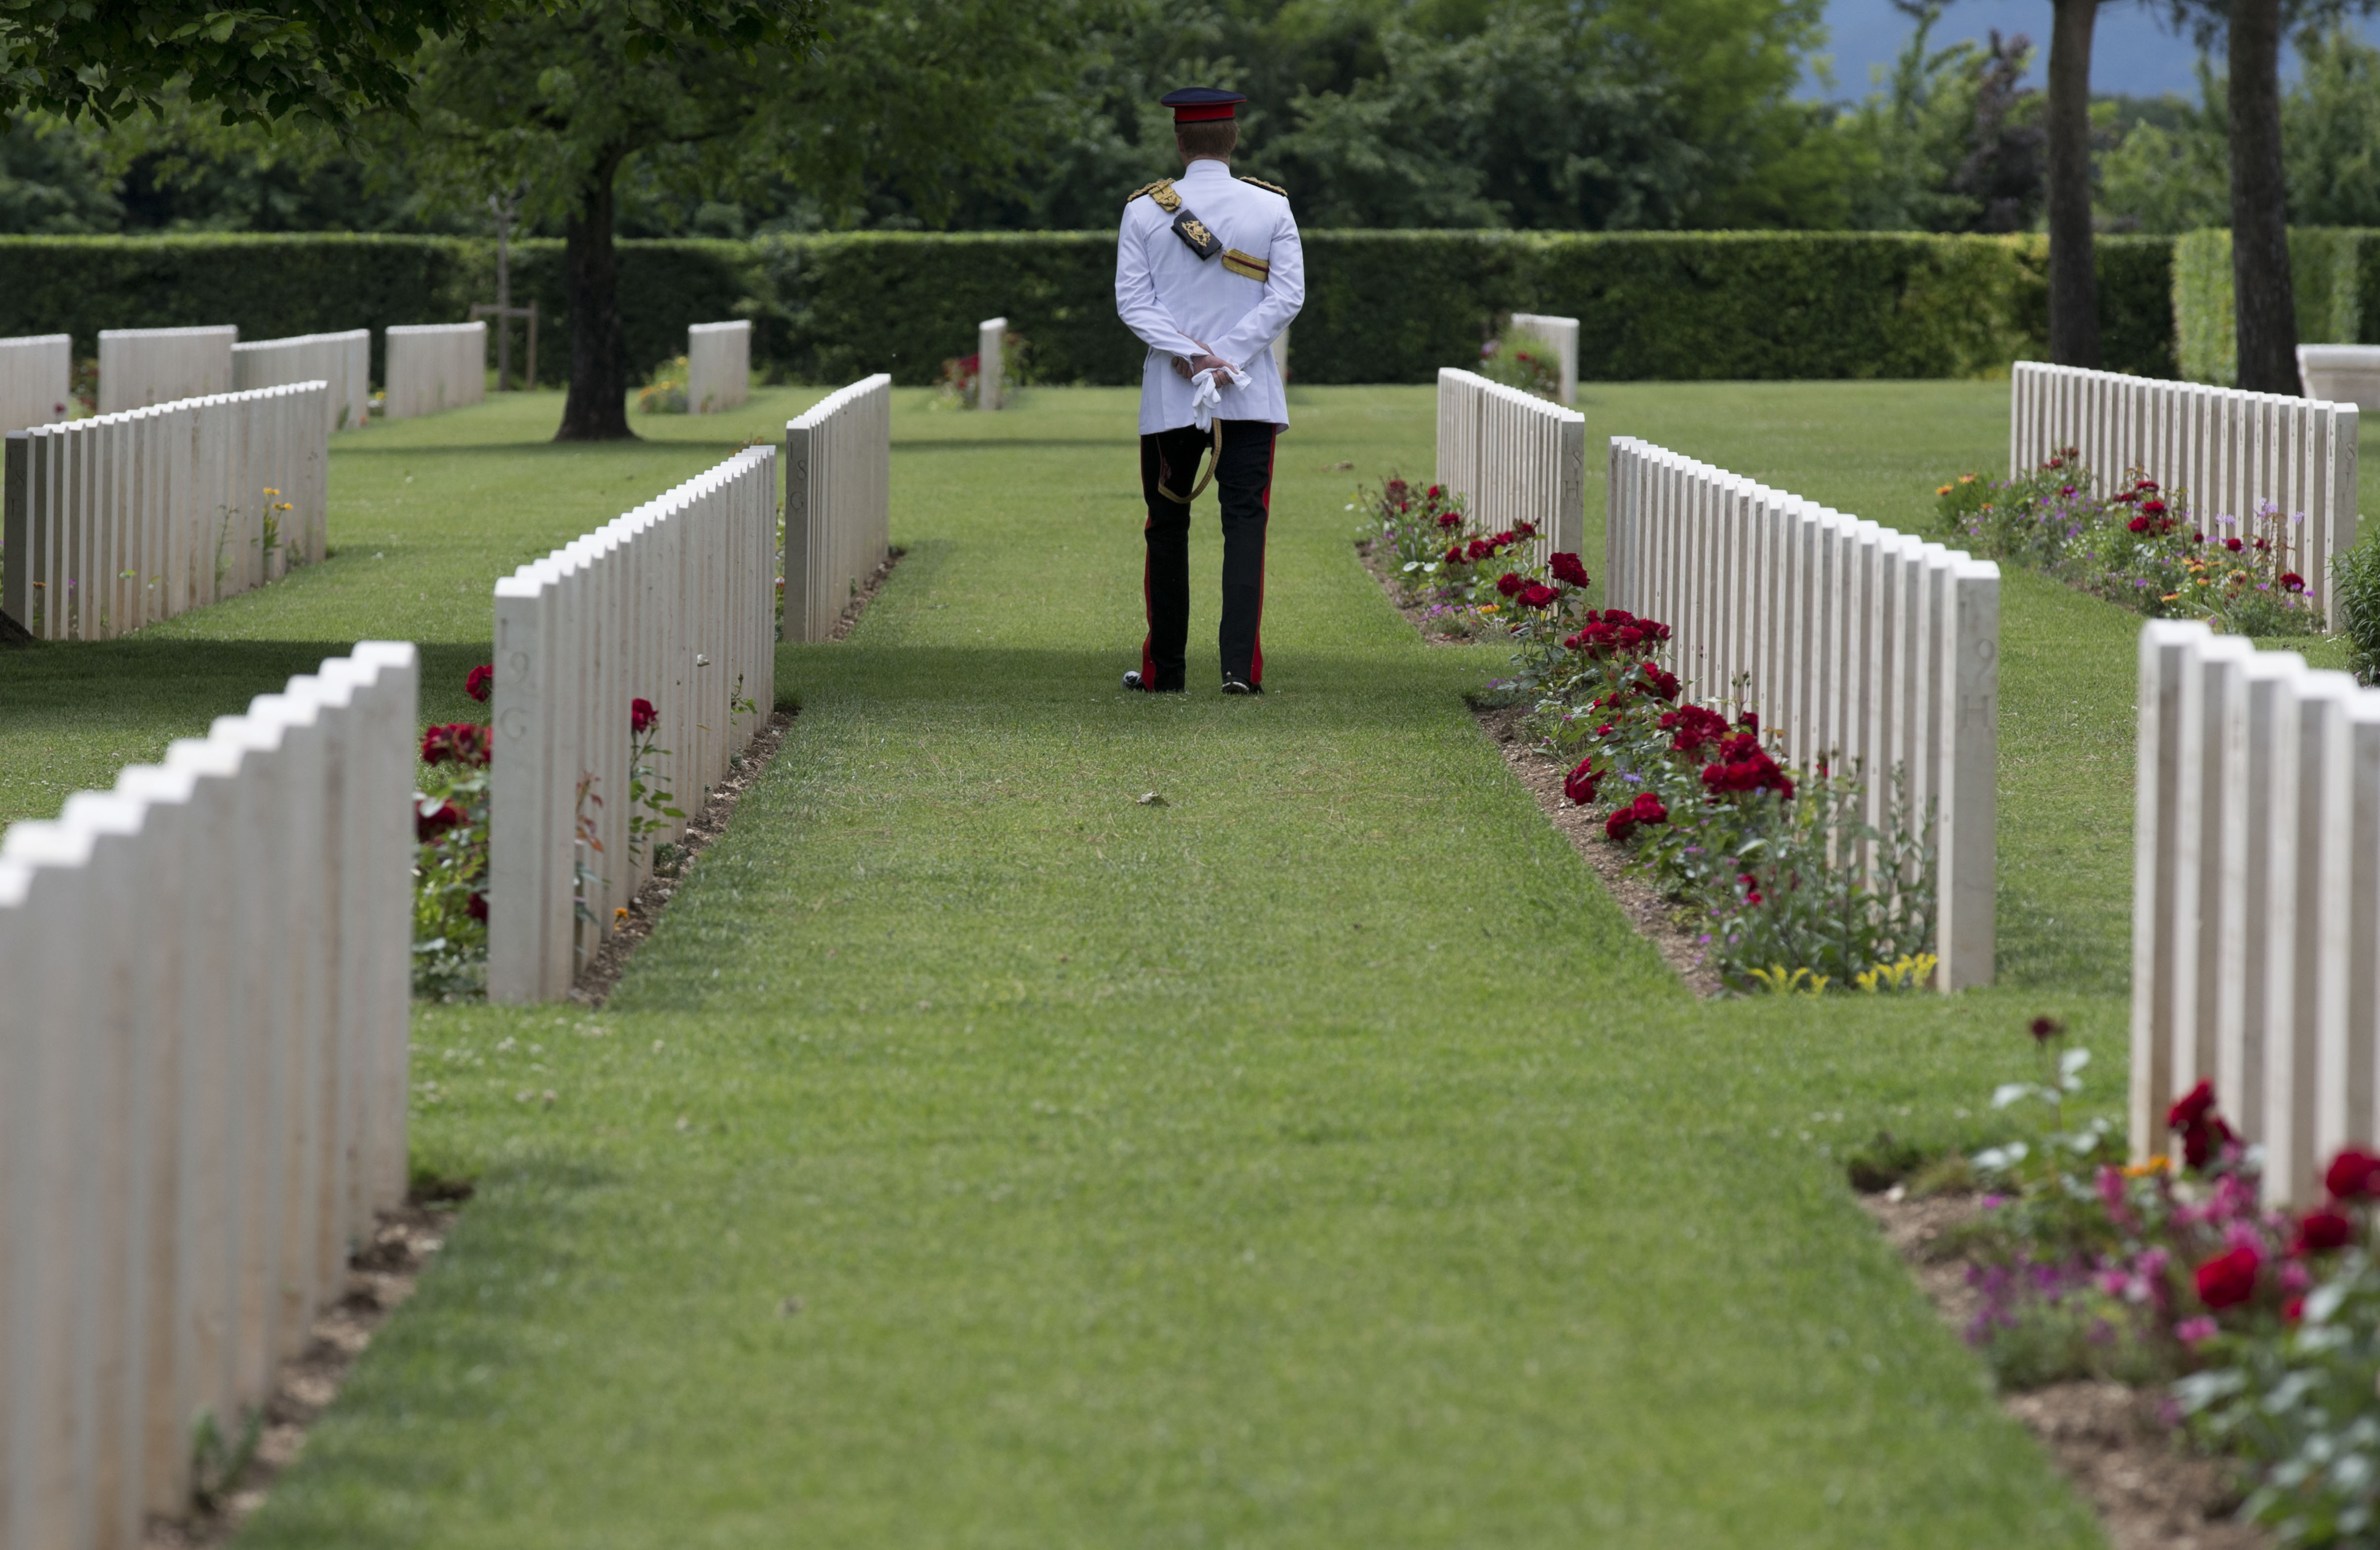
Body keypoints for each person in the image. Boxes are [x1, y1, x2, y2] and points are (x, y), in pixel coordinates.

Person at [1113, 86, 1304, 694]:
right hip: (1247, 395)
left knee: (1166, 525)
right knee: (1245, 525)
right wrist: (1229, 359)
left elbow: (1133, 303)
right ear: (1234, 138)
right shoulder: (1271, 206)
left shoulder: (1146, 209)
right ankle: (1238, 671)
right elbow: (1287, 298)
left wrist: (1191, 355)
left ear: (1179, 140)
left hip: (1172, 398)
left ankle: (1164, 672)